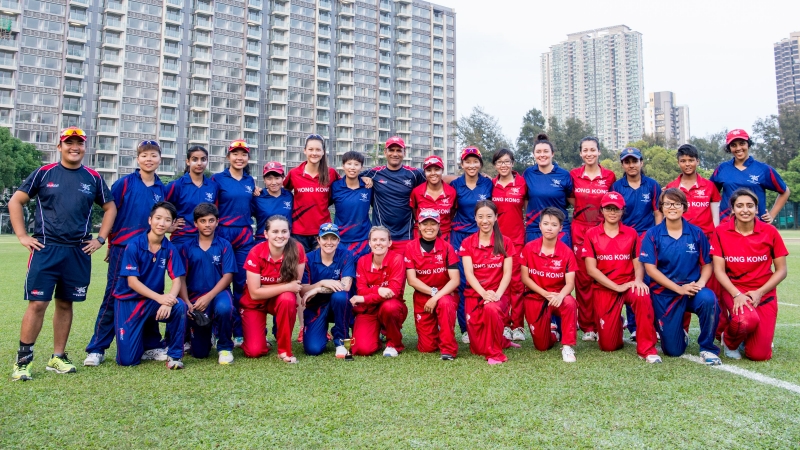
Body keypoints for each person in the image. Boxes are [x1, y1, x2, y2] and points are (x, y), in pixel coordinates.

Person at [10, 127, 116, 381]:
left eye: (79, 143)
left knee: (65, 303)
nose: (74, 147)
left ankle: (58, 356)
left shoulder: (93, 177)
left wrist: (101, 238)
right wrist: (23, 236)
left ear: (84, 147)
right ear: (60, 147)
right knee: (38, 303)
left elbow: (110, 207)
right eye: (69, 143)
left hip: (78, 250)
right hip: (46, 249)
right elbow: (16, 201)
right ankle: (23, 361)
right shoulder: (44, 173)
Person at [84, 140, 166, 366]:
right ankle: (97, 348)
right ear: (137, 159)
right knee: (113, 296)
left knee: (150, 293)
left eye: (153, 155)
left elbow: (165, 218)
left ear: (160, 159)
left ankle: (151, 345)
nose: (149, 159)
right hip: (123, 249)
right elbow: (111, 213)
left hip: (151, 250)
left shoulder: (162, 188)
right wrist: (110, 244)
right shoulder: (124, 184)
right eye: (144, 155)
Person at [639, 189, 721, 365]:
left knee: (709, 299)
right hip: (665, 294)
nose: (672, 207)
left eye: (677, 203)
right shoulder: (652, 234)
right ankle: (677, 333)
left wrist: (700, 283)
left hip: (692, 291)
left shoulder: (697, 233)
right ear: (661, 207)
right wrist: (678, 289)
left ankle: (707, 347)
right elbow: (651, 270)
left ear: (684, 207)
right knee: (673, 351)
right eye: (667, 204)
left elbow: (707, 264)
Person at [582, 192, 661, 363]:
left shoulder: (631, 233)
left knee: (642, 295)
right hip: (605, 288)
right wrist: (616, 287)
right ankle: (617, 321)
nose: (612, 212)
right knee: (608, 346)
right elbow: (591, 269)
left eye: (616, 209)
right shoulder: (591, 234)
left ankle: (647, 349)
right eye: (608, 208)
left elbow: (637, 262)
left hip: (628, 284)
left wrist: (638, 281)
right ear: (601, 210)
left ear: (622, 211)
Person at [711, 189, 788, 361]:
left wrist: (760, 292)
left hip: (764, 293)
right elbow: (719, 270)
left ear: (757, 209)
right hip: (735, 290)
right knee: (746, 320)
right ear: (732, 209)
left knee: (759, 355)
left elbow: (782, 270)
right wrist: (737, 294)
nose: (745, 210)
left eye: (750, 206)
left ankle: (747, 338)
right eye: (739, 206)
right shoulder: (721, 232)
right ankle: (730, 341)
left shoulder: (770, 231)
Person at [113, 202, 187, 369]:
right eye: (158, 218)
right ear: (150, 220)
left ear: (172, 224)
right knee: (128, 361)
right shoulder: (134, 245)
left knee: (179, 306)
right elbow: (132, 282)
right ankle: (145, 345)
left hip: (152, 302)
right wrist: (161, 298)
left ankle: (175, 356)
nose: (162, 223)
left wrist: (169, 301)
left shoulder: (169, 248)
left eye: (167, 220)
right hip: (129, 302)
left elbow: (177, 279)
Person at [610, 147, 662, 340]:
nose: (631, 165)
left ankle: (651, 324)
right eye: (627, 162)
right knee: (631, 279)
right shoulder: (617, 187)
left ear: (642, 162)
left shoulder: (652, 185)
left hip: (647, 238)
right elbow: (613, 214)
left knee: (649, 281)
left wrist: (657, 236)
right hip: (625, 238)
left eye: (635, 161)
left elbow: (658, 212)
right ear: (623, 165)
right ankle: (633, 326)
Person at [459, 200, 518, 365]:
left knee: (491, 308)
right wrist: (483, 293)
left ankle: (495, 353)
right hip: (475, 294)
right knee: (477, 348)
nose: (485, 220)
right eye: (480, 216)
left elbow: (507, 273)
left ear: (496, 218)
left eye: (489, 216)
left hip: (498, 295)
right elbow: (469, 273)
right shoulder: (467, 243)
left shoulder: (505, 242)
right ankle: (501, 340)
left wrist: (497, 295)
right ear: (475, 219)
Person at [240, 215, 306, 362]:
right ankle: (256, 339)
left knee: (288, 298)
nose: (280, 236)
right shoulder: (256, 252)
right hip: (255, 304)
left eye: (284, 231)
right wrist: (286, 286)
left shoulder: (297, 249)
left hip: (280, 300)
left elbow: (295, 286)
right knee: (254, 351)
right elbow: (255, 293)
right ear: (265, 234)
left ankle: (284, 351)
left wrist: (271, 287)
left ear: (289, 233)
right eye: (275, 232)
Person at [569, 136, 616, 343]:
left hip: (602, 231)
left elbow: (612, 204)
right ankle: (587, 326)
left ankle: (604, 321)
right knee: (583, 279)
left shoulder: (609, 176)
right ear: (580, 153)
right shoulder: (573, 175)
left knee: (603, 276)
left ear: (599, 152)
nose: (589, 153)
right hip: (580, 231)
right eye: (585, 150)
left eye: (592, 150)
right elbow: (572, 200)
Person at [211, 139, 257, 347]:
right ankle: (215, 330)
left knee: (242, 284)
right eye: (235, 154)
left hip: (245, 235)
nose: (240, 158)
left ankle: (240, 332)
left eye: (244, 154)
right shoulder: (217, 179)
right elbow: (208, 207)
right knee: (218, 282)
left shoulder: (250, 181)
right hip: (222, 234)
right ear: (228, 157)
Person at [178, 203, 236, 365]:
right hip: (194, 298)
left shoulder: (224, 245)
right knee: (200, 353)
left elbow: (228, 275)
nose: (207, 224)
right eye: (202, 221)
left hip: (218, 294)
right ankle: (203, 337)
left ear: (217, 222)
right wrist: (188, 303)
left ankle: (225, 347)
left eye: (211, 220)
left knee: (225, 308)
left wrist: (209, 297)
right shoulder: (186, 247)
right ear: (195, 223)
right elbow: (180, 278)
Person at [519, 207, 578, 363]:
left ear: (560, 228)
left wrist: (560, 295)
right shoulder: (529, 248)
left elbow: (570, 283)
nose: (549, 227)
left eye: (553, 224)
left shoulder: (567, 252)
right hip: (535, 297)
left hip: (557, 297)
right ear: (540, 226)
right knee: (541, 346)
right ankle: (553, 334)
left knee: (570, 302)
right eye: (545, 223)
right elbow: (525, 278)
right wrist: (544, 293)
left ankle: (567, 346)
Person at [449, 147, 493, 344]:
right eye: (468, 161)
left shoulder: (488, 183)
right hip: (459, 236)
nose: (472, 165)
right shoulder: (455, 184)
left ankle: (486, 321)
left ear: (481, 164)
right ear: (462, 164)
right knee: (463, 282)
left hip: (482, 235)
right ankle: (465, 327)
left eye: (475, 161)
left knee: (485, 278)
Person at [404, 210, 461, 360]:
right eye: (425, 223)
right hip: (423, 299)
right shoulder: (410, 247)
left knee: (446, 303)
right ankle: (436, 334)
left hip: (445, 294)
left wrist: (436, 297)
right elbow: (412, 280)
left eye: (433, 223)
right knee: (427, 348)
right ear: (419, 226)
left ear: (439, 225)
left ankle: (448, 349)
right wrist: (432, 293)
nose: (429, 227)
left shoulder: (447, 247)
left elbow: (455, 280)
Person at [360, 136, 426, 255]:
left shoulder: (414, 174)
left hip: (406, 235)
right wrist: (364, 178)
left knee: (404, 272)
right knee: (381, 271)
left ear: (404, 153)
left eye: (398, 150)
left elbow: (435, 179)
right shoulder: (374, 173)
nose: (395, 154)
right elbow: (352, 178)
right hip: (381, 235)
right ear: (385, 152)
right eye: (391, 150)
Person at [299, 223, 356, 357]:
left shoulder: (346, 255)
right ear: (318, 240)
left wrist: (317, 290)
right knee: (313, 349)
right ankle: (321, 331)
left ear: (338, 240)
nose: (329, 242)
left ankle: (341, 341)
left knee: (340, 297)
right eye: (325, 238)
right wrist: (321, 283)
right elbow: (302, 290)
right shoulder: (308, 259)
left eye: (333, 238)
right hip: (316, 308)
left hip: (340, 305)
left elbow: (345, 286)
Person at [350, 226, 408, 357]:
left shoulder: (397, 259)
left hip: (390, 307)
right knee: (362, 349)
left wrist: (364, 298)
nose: (378, 243)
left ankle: (393, 344)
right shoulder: (362, 261)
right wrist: (379, 289)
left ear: (390, 242)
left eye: (382, 239)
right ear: (369, 243)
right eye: (374, 240)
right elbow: (361, 290)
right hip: (368, 310)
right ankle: (377, 335)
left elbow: (394, 292)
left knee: (390, 307)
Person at [710, 129, 789, 224]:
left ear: (748, 144)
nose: (738, 148)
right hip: (727, 226)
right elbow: (710, 194)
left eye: (742, 143)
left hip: (756, 226)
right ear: (729, 148)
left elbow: (785, 191)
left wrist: (772, 215)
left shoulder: (763, 169)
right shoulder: (722, 169)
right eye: (733, 145)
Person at [491, 149, 528, 342]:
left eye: (507, 161)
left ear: (513, 163)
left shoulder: (522, 183)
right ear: (495, 165)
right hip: (496, 241)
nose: (503, 165)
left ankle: (518, 326)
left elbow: (529, 206)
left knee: (517, 284)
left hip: (518, 240)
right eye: (499, 162)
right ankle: (505, 324)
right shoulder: (491, 185)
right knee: (500, 283)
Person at [284, 134, 340, 252]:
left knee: (319, 268)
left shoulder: (331, 173)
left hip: (323, 231)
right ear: (305, 151)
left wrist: (365, 179)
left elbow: (344, 188)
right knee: (300, 268)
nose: (314, 153)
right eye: (311, 149)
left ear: (323, 152)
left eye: (318, 149)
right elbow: (282, 191)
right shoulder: (294, 173)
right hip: (298, 232)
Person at [523, 134, 574, 246]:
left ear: (552, 153)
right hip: (534, 229)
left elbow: (573, 201)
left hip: (559, 231)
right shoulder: (528, 174)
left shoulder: (564, 175)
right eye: (538, 152)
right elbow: (525, 200)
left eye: (546, 151)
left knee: (560, 263)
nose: (542, 155)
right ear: (534, 154)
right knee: (533, 263)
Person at [166, 145, 220, 250]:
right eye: (195, 159)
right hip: (181, 238)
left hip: (205, 239)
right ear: (188, 161)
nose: (199, 163)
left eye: (203, 159)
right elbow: (162, 209)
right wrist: (169, 226)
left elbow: (216, 212)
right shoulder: (176, 185)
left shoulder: (213, 186)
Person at [331, 151, 373, 259]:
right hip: (341, 239)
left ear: (361, 167)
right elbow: (322, 206)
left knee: (362, 274)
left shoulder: (368, 187)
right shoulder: (335, 187)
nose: (352, 167)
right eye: (349, 164)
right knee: (343, 274)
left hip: (363, 239)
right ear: (343, 166)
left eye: (356, 164)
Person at [410, 155, 456, 242]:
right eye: (429, 170)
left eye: (437, 169)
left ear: (442, 170)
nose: (433, 173)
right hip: (421, 235)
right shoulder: (416, 192)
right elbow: (414, 212)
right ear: (424, 172)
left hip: (444, 235)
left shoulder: (451, 192)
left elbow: (452, 213)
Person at [252, 161, 293, 244]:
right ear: (264, 180)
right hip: (263, 242)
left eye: (277, 178)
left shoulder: (289, 196)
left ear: (283, 178)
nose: (273, 182)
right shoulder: (257, 196)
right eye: (269, 179)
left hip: (285, 242)